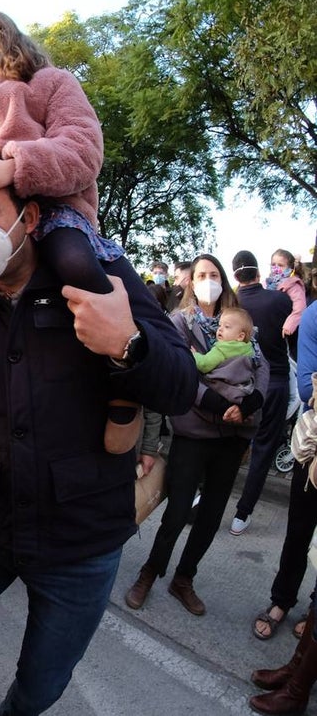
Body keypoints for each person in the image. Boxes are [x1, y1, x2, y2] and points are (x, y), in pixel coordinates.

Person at [0, 158, 196, 716]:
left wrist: (127, 344)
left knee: (41, 684)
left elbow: (182, 389)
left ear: (30, 216)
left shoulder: (96, 277)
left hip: (79, 541)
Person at [0, 8, 138, 462]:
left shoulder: (54, 83)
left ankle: (123, 393)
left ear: (0, 32)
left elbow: (83, 147)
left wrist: (16, 165)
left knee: (77, 265)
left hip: (59, 210)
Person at [124, 253, 267, 617]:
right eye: (201, 274)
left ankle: (184, 578)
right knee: (176, 511)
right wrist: (220, 405)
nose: (208, 280)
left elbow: (261, 367)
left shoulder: (241, 324)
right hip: (194, 433)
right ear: (190, 281)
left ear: (225, 279)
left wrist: (250, 402)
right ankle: (149, 572)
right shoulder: (179, 323)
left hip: (232, 437)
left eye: (214, 274)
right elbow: (182, 375)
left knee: (211, 514)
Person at [250, 298, 317, 643]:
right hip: (314, 449)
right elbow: (307, 387)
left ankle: (315, 611)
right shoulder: (314, 315)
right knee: (299, 532)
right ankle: (281, 602)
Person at [229, 250, 293, 536]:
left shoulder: (231, 305)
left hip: (236, 384)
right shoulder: (280, 300)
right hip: (275, 384)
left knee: (224, 443)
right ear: (259, 273)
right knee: (263, 449)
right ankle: (242, 514)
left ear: (235, 276)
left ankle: (203, 501)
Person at [192, 306, 255, 401]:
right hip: (244, 390)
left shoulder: (222, 349)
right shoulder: (249, 349)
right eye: (219, 325)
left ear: (240, 336)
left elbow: (204, 365)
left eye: (227, 327)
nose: (220, 329)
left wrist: (194, 355)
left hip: (223, 392)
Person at [268, 248, 308, 361]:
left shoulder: (293, 284)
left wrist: (289, 324)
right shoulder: (268, 283)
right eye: (273, 264)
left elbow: (300, 308)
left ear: (290, 268)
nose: (276, 268)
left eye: (280, 265)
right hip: (273, 328)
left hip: (289, 331)